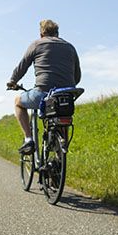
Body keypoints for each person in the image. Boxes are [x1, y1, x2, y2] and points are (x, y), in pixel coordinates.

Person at [6, 19, 82, 154]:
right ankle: (61, 147)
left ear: (41, 34)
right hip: (67, 94)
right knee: (62, 110)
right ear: (57, 33)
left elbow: (22, 67)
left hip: (43, 93)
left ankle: (29, 139)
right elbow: (77, 76)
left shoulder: (36, 44)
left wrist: (12, 81)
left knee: (18, 102)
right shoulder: (70, 47)